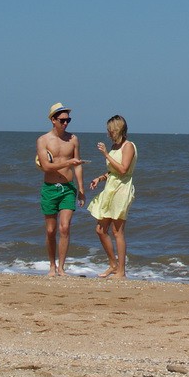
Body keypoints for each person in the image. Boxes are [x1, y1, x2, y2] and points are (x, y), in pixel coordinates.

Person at [37, 102, 86, 277]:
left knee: (64, 227)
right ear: (53, 120)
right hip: (50, 188)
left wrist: (81, 188)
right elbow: (46, 166)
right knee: (51, 230)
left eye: (68, 120)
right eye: (62, 120)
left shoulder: (73, 139)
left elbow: (78, 165)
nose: (66, 123)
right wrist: (67, 163)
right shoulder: (43, 140)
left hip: (67, 188)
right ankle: (52, 265)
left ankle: (61, 268)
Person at [88, 114, 137, 278]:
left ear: (116, 130)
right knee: (100, 229)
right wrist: (100, 178)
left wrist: (106, 154)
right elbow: (113, 171)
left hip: (122, 189)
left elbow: (123, 169)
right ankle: (113, 264)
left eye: (109, 130)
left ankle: (121, 271)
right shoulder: (114, 147)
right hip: (110, 188)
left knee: (118, 231)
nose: (107, 133)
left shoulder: (128, 146)